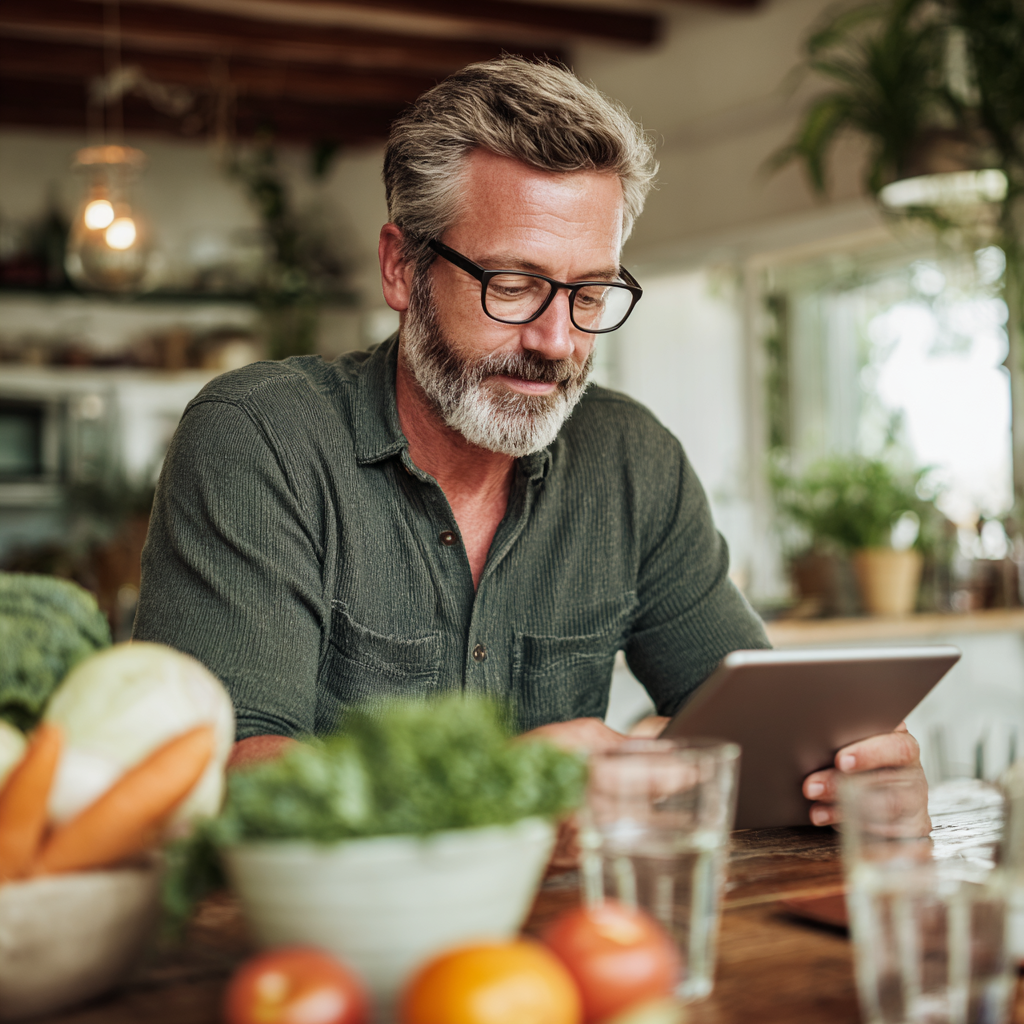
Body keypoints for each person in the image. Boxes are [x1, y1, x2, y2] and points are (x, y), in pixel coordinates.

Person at [133, 58, 922, 827]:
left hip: (573, 948)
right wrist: (511, 788)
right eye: (512, 285)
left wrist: (841, 771)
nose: (555, 339)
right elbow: (219, 773)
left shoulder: (632, 460)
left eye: (590, 293)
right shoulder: (262, 439)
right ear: (402, 268)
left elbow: (753, 722)